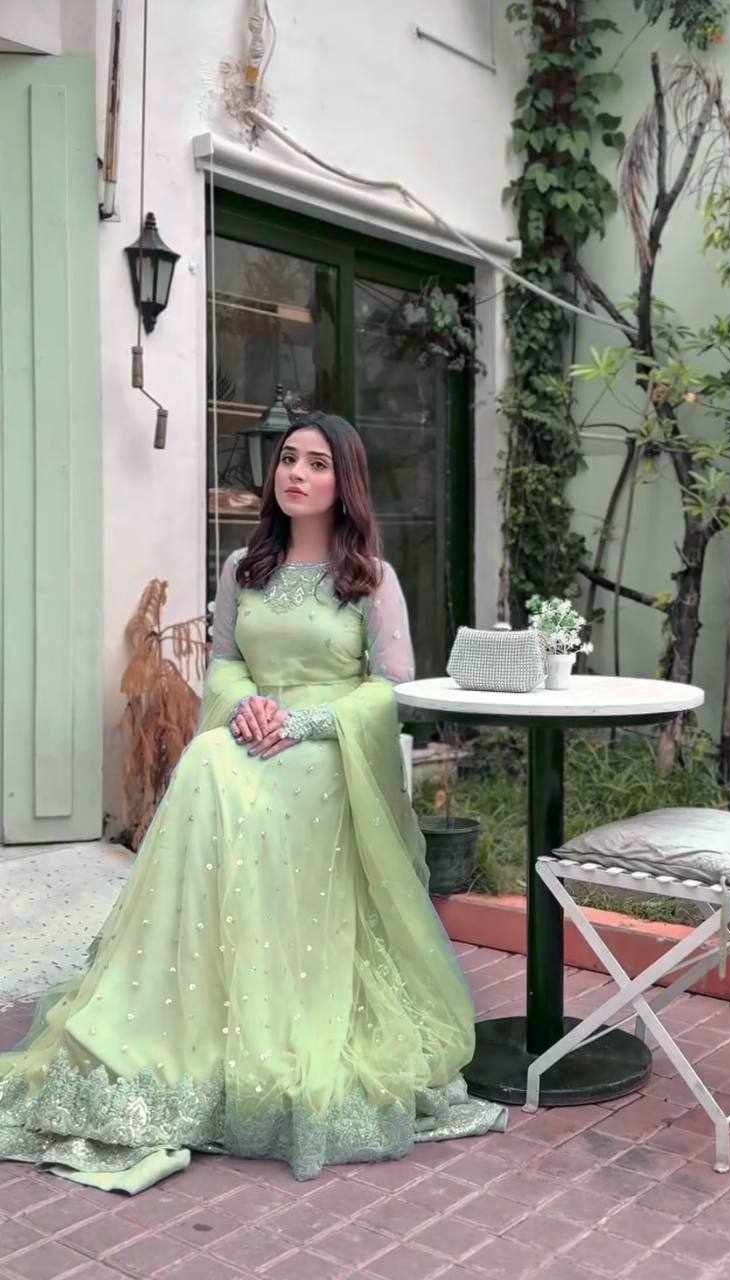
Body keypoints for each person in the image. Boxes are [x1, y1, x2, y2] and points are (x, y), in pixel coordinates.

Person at [0, 411, 507, 1193]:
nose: (295, 473)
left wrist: (305, 723)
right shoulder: (245, 566)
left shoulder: (368, 577)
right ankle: (179, 1004)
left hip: (325, 751)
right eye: (288, 459)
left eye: (316, 463)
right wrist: (245, 709)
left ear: (345, 482)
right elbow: (227, 661)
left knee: (228, 768)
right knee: (205, 759)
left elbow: (390, 687)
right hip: (250, 736)